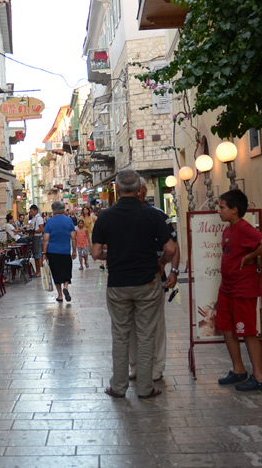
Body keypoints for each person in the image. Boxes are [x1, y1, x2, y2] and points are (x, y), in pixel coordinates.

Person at [91, 170, 178, 400]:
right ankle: (145, 387)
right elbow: (170, 249)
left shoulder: (105, 216)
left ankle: (118, 387)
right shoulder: (152, 215)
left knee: (120, 335)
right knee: (146, 334)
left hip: (118, 284)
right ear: (139, 189)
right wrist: (160, 262)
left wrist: (116, 253)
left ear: (116, 190)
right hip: (147, 282)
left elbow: (96, 253)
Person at [216, 189, 262, 392]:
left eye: (222, 208)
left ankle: (259, 376)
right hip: (227, 288)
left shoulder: (244, 227)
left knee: (247, 331)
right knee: (226, 327)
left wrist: (251, 257)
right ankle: (238, 369)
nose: (219, 211)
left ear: (234, 209)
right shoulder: (228, 229)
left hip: (243, 289)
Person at [128, 178, 179, 382]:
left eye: (138, 190)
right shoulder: (122, 216)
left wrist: (173, 270)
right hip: (129, 278)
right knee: (131, 325)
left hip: (154, 276)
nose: (136, 193)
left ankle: (157, 366)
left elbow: (173, 245)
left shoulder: (158, 215)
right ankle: (135, 366)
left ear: (143, 190)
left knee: (156, 325)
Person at [43, 200, 77, 303]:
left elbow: (46, 239)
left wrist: (44, 253)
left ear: (53, 210)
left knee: (56, 272)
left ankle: (60, 295)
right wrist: (74, 250)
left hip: (52, 251)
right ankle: (66, 287)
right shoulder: (68, 220)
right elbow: (73, 237)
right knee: (66, 271)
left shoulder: (49, 221)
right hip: (65, 251)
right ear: (63, 209)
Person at [28, 204, 45, 278]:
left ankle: (40, 272)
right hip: (34, 237)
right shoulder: (34, 218)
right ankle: (37, 271)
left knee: (38, 256)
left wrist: (33, 231)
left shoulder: (39, 218)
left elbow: (41, 229)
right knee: (35, 256)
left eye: (32, 211)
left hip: (38, 237)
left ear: (36, 211)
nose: (30, 213)